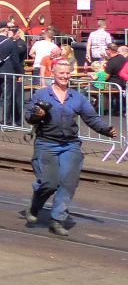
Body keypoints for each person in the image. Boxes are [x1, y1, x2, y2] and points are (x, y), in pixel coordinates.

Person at [23, 59, 118, 236]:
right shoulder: (42, 95)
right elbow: (29, 116)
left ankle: (57, 219)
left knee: (68, 182)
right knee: (49, 183)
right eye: (61, 73)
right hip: (47, 144)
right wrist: (38, 115)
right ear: (53, 73)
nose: (65, 76)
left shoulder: (77, 97)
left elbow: (91, 118)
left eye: (68, 73)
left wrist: (105, 130)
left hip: (70, 145)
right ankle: (35, 206)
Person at [0, 21, 24, 126]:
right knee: (7, 98)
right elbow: (16, 60)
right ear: (6, 29)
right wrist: (20, 74)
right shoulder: (10, 42)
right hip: (8, 72)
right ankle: (6, 121)